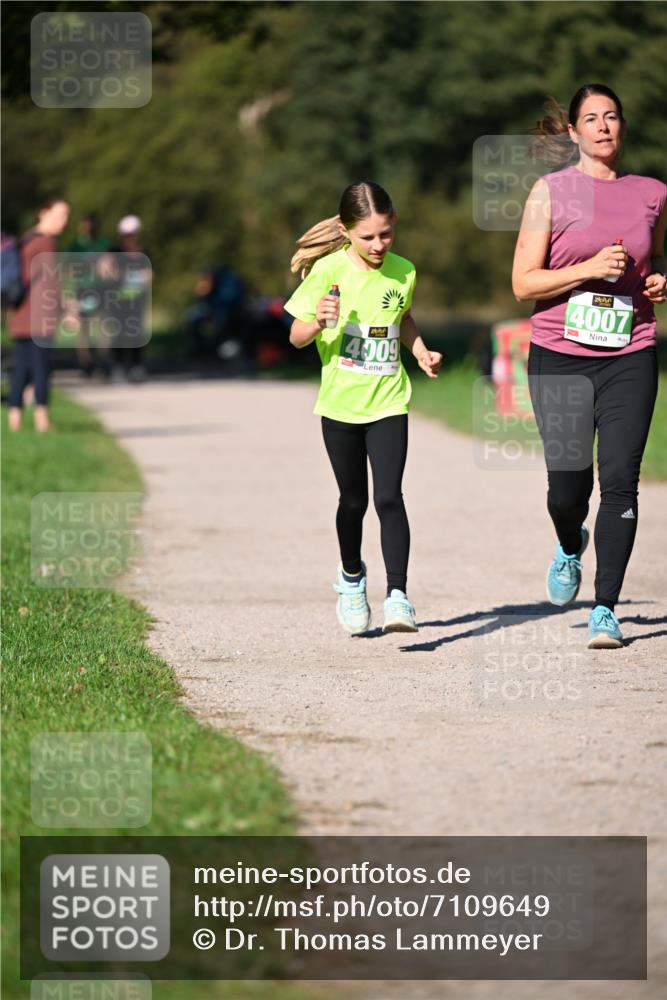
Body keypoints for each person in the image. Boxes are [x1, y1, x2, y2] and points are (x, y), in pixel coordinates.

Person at [512, 84, 667, 649]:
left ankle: (605, 608)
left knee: (622, 481)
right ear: (573, 132)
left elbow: (655, 262)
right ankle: (568, 539)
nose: (603, 126)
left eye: (612, 117)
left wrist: (658, 281)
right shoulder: (550, 192)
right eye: (591, 119)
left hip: (631, 352)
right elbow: (523, 283)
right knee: (567, 491)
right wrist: (588, 269)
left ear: (622, 127)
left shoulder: (653, 193)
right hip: (559, 356)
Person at [284, 181, 442, 635]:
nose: (378, 245)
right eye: (368, 236)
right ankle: (352, 579)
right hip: (340, 406)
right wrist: (320, 321)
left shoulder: (404, 271)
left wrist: (421, 352)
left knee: (389, 497)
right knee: (352, 502)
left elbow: (404, 317)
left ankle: (398, 597)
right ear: (347, 231)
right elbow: (295, 337)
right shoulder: (326, 271)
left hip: (389, 400)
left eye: (386, 234)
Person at [6, 197, 71, 432]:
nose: (63, 222)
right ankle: (42, 420)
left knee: (21, 368)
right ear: (43, 213)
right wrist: (66, 311)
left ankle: (14, 419)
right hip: (39, 318)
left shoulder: (25, 240)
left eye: (65, 217)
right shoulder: (45, 243)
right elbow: (52, 282)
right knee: (41, 368)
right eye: (59, 216)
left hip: (19, 316)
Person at [65, 212, 112, 378]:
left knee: (105, 325)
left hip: (101, 289)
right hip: (82, 290)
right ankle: (85, 362)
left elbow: (110, 265)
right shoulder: (76, 246)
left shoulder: (104, 243)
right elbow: (69, 270)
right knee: (83, 328)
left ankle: (103, 358)